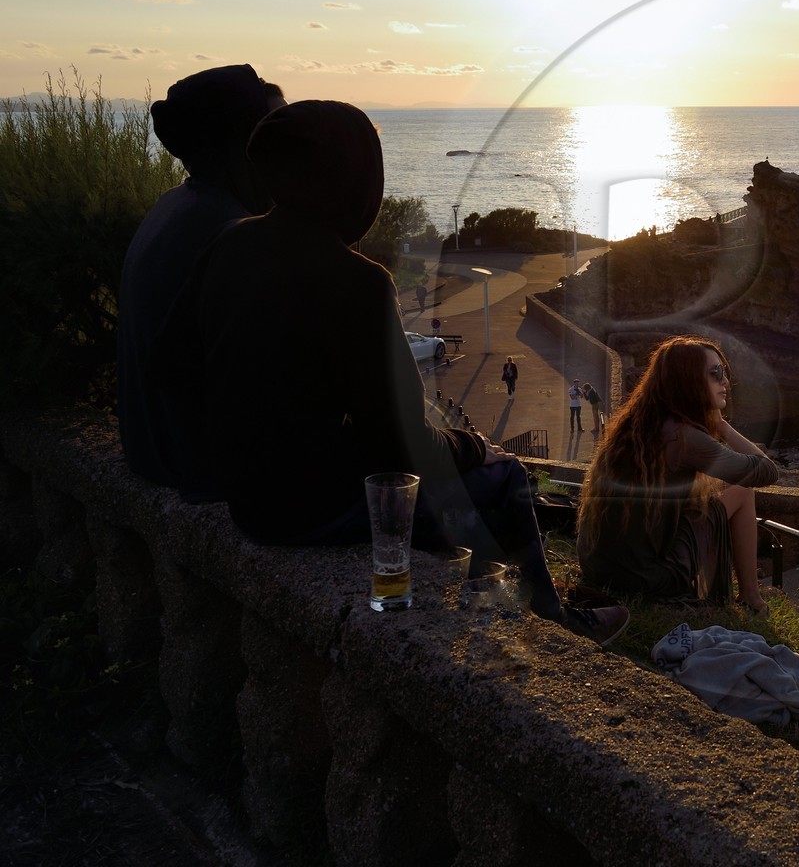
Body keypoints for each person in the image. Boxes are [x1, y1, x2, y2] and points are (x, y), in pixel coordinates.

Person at [153, 100, 626, 645]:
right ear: (354, 181)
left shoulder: (227, 244)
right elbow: (405, 444)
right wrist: (476, 447)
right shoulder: (357, 282)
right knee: (506, 478)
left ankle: (506, 606)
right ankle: (554, 622)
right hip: (314, 512)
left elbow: (167, 369)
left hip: (247, 504)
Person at [118, 64, 283, 500]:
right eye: (276, 137)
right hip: (198, 469)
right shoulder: (229, 231)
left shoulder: (176, 205)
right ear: (240, 144)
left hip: (151, 453)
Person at [577, 336, 776, 613]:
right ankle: (752, 599)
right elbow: (766, 471)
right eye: (715, 374)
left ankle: (748, 596)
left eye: (725, 373)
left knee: (708, 496)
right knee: (742, 491)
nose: (726, 382)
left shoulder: (638, 425)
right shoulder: (684, 438)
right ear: (688, 380)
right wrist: (722, 427)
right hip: (642, 580)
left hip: (599, 568)